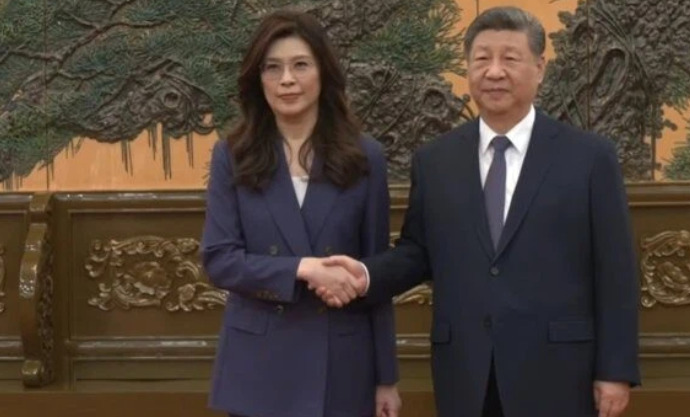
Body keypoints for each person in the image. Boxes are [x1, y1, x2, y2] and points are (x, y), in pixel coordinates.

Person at [316, 6, 640, 417]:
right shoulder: (435, 161)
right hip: (467, 370)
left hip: (558, 371)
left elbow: (615, 270)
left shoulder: (589, 158)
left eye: (510, 58)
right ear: (468, 68)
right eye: (482, 58)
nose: (494, 71)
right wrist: (363, 275)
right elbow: (418, 252)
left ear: (540, 68)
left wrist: (615, 370)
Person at [200, 10, 401, 417]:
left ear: (323, 72)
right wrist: (302, 268)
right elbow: (219, 260)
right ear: (258, 80)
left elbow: (376, 275)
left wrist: (387, 378)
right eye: (272, 68)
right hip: (259, 365)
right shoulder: (232, 155)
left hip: (342, 364)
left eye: (300, 65)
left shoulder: (365, 157)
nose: (287, 79)